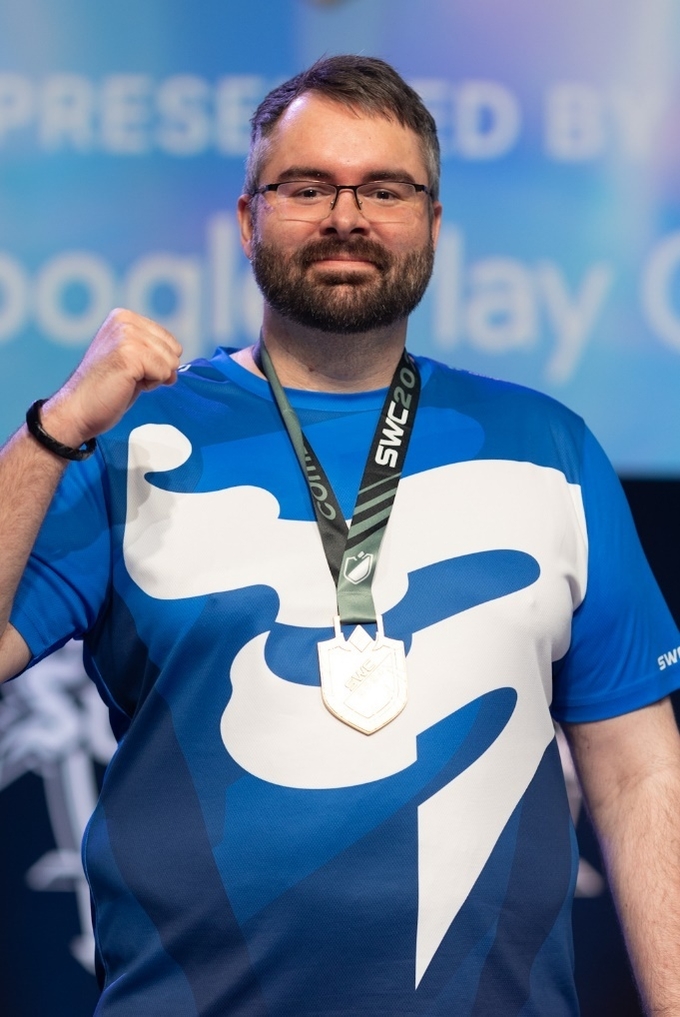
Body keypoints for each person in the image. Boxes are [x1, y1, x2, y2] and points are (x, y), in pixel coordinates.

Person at [0, 54, 679, 1017]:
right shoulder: (129, 440)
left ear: (433, 224)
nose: (347, 217)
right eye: (308, 186)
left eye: (385, 190)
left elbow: (639, 770)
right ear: (248, 219)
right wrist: (56, 425)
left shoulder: (549, 447)